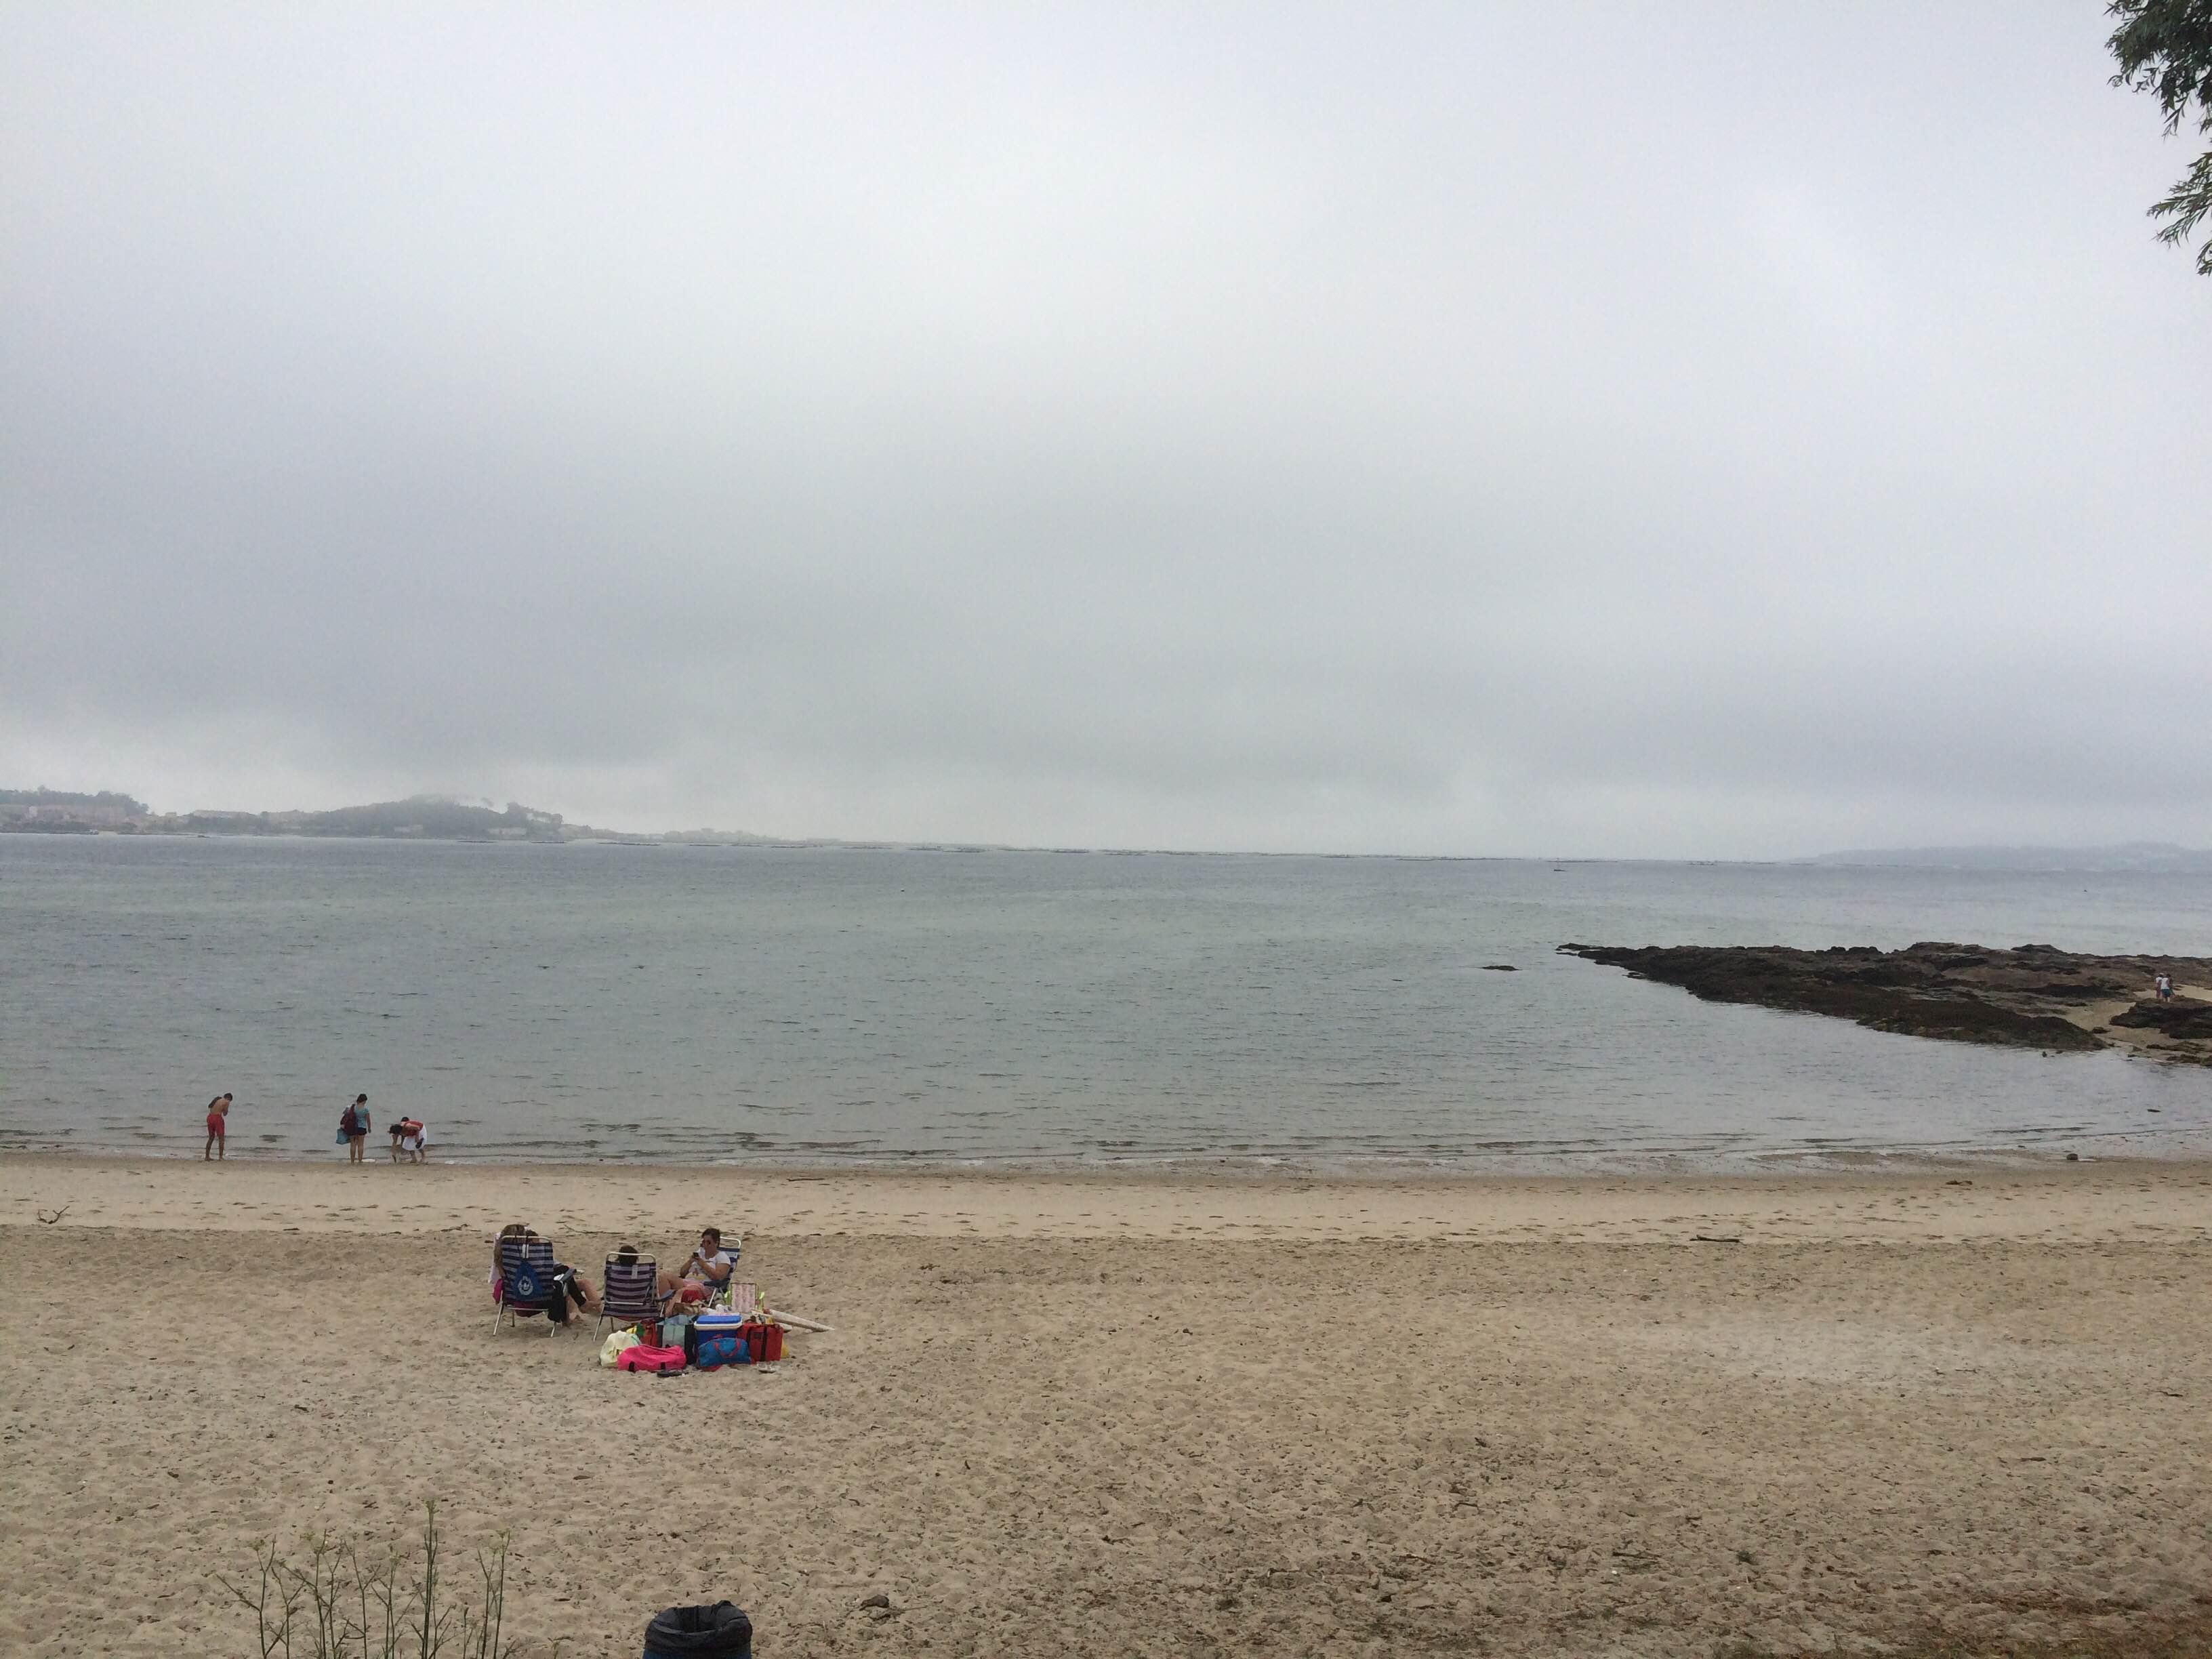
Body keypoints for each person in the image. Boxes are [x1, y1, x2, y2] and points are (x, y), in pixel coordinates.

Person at [657, 1225, 737, 1311]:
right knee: (663, 1277)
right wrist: (690, 1261)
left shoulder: (722, 1257)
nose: (705, 1245)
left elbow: (719, 1277)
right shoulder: (700, 1253)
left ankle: (669, 1312)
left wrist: (703, 1264)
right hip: (687, 1281)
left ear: (716, 1243)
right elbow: (682, 1273)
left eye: (709, 1242)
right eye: (703, 1242)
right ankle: (668, 1308)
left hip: (704, 1286)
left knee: (683, 1291)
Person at [340, 1094, 371, 1164]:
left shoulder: (353, 1108)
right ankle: (360, 1160)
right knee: (361, 1145)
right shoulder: (365, 1110)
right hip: (362, 1128)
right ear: (364, 1101)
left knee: (353, 1144)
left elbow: (345, 1115)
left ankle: (352, 1161)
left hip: (352, 1127)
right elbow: (368, 1120)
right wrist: (369, 1128)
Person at [203, 1093, 231, 1160]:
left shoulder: (217, 1100)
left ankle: (207, 1156)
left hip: (210, 1117)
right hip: (217, 1119)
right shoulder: (227, 1102)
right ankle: (220, 1157)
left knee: (211, 1138)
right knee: (221, 1138)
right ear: (229, 1098)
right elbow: (225, 1114)